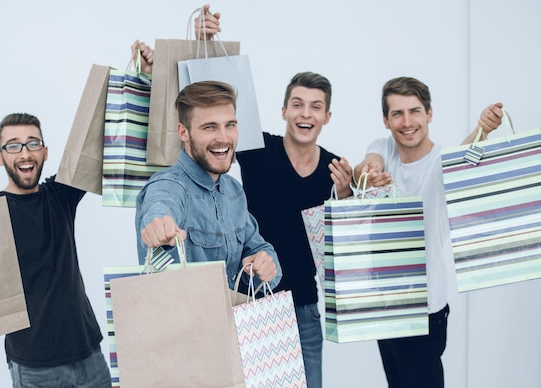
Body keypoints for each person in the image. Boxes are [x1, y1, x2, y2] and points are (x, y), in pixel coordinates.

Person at [195, 7, 354, 388]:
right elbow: (217, 97)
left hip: (304, 306)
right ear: (284, 110)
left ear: (327, 116)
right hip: (252, 299)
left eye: (316, 106)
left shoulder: (335, 169)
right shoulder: (256, 149)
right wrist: (204, 42)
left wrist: (345, 196)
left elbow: (345, 245)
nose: (305, 113)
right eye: (297, 104)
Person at [353, 76, 503, 388]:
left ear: (429, 114)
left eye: (415, 111)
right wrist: (368, 171)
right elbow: (368, 161)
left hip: (423, 311)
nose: (406, 122)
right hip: (383, 305)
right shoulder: (385, 149)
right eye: (397, 113)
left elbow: (460, 158)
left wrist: (483, 129)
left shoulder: (440, 162)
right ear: (385, 120)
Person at [0, 113, 111, 388]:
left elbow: (93, 144)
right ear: (0, 157)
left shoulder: (60, 195)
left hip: (90, 356)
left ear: (45, 152)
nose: (25, 153)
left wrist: (141, 75)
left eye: (33, 143)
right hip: (35, 368)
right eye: (13, 146)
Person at [135, 80, 282, 292]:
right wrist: (157, 226)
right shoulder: (168, 185)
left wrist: (266, 263)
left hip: (229, 322)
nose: (223, 137)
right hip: (181, 324)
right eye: (209, 127)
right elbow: (160, 206)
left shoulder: (233, 191)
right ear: (183, 132)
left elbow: (258, 246)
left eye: (230, 125)